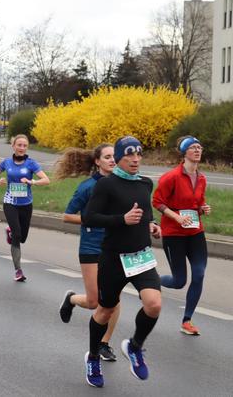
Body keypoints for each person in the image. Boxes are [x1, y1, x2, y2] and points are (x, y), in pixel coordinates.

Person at [82, 136, 162, 388]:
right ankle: (93, 357)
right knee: (105, 310)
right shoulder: (107, 185)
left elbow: (146, 214)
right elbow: (90, 218)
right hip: (114, 258)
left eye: (139, 154)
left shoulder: (145, 183)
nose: (136, 159)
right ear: (118, 158)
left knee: (154, 304)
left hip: (140, 256)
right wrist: (121, 219)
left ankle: (135, 346)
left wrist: (152, 225)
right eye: (130, 155)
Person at [56, 144, 120, 362]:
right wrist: (94, 219)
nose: (113, 160)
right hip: (91, 247)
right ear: (97, 161)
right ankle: (72, 299)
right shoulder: (87, 187)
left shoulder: (122, 185)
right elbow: (67, 216)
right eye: (108, 157)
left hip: (116, 247)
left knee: (113, 298)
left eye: (115, 156)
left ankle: (104, 343)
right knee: (94, 302)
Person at [152, 136, 210, 336]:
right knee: (179, 282)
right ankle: (151, 279)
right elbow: (157, 202)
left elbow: (197, 203)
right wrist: (176, 218)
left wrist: (202, 208)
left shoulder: (202, 178)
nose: (197, 150)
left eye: (199, 147)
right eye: (193, 147)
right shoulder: (171, 177)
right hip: (174, 234)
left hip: (195, 232)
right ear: (184, 152)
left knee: (200, 273)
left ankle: (187, 320)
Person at [0, 134, 50, 281]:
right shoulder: (6, 162)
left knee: (22, 238)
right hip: (10, 202)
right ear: (13, 146)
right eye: (19, 145)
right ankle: (18, 270)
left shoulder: (31, 163)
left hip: (26, 204)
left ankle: (10, 231)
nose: (22, 148)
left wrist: (32, 182)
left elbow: (46, 180)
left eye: (24, 145)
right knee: (17, 236)